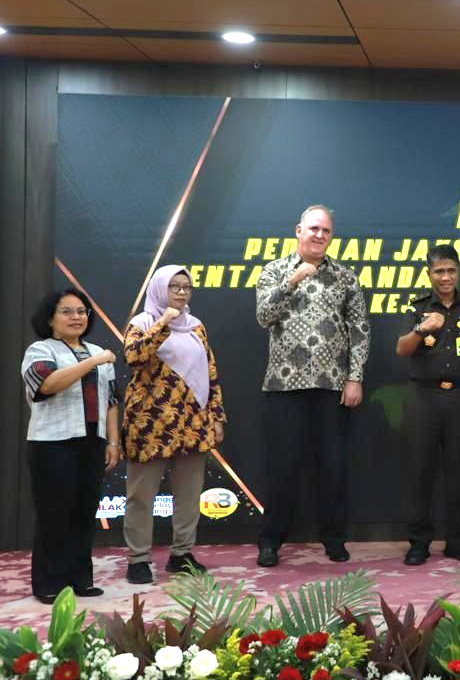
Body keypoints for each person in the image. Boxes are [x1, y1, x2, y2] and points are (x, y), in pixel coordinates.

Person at [254, 204, 370, 568]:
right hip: (283, 386)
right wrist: (292, 281)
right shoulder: (274, 270)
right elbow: (263, 317)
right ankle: (271, 541)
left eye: (326, 231)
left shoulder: (345, 277)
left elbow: (360, 330)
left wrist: (355, 377)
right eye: (314, 228)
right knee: (282, 467)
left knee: (332, 467)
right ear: (298, 230)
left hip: (332, 386)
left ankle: (333, 539)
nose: (319, 235)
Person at [122, 266, 228, 585]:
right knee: (141, 496)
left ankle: (181, 554)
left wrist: (217, 416)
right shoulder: (142, 323)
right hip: (150, 425)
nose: (182, 293)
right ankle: (138, 559)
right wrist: (163, 323)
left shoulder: (196, 326)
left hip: (193, 424)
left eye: (186, 287)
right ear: (159, 289)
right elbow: (134, 357)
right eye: (174, 287)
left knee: (189, 495)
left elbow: (210, 373)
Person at [395, 245, 460, 565]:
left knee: (458, 471)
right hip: (423, 398)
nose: (446, 277)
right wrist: (421, 328)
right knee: (420, 471)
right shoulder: (417, 308)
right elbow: (402, 349)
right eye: (439, 271)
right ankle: (418, 542)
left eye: (451, 270)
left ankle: (457, 541)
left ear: (458, 271)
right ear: (429, 274)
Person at [20, 288, 119, 604]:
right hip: (52, 443)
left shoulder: (97, 352)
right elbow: (47, 385)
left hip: (92, 442)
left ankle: (80, 579)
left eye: (81, 311)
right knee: (54, 513)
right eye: (66, 311)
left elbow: (111, 401)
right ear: (50, 319)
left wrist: (113, 441)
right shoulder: (40, 350)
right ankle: (49, 583)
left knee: (84, 512)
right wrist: (93, 362)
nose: (76, 317)